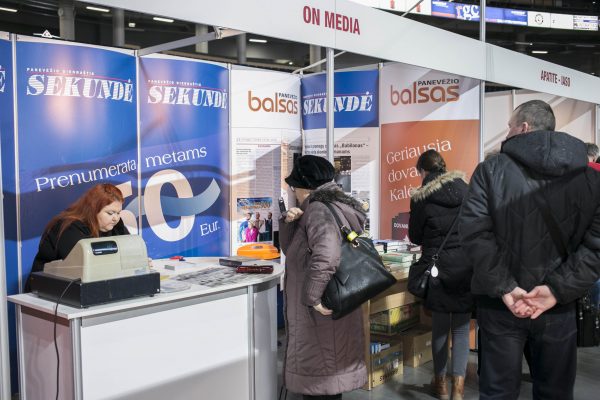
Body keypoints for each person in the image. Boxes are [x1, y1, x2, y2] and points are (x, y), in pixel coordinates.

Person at [459, 100, 600, 400]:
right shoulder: (590, 179)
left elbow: (473, 233)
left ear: (522, 128)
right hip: (558, 306)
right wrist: (556, 290)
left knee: (498, 392)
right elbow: (595, 247)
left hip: (500, 303)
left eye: (509, 127)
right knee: (556, 392)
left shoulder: (490, 170)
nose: (507, 133)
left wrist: (506, 286)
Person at [279, 155, 367, 400]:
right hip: (333, 301)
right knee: (328, 380)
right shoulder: (330, 206)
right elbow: (293, 251)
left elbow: (327, 254)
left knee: (321, 382)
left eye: (294, 187)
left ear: (305, 186)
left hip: (319, 311)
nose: (294, 192)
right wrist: (289, 222)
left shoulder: (318, 210)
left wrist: (312, 296)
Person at [409, 150, 473, 400]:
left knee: (440, 328)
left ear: (423, 171)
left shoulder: (421, 197)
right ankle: (458, 388)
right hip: (466, 266)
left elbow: (416, 236)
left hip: (437, 267)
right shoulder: (467, 190)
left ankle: (441, 385)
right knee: (461, 329)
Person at [28, 183, 129, 289]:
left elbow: (130, 251)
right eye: (110, 213)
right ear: (93, 209)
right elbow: (84, 266)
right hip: (49, 289)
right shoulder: (69, 227)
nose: (115, 218)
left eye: (118, 213)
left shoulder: (116, 226)